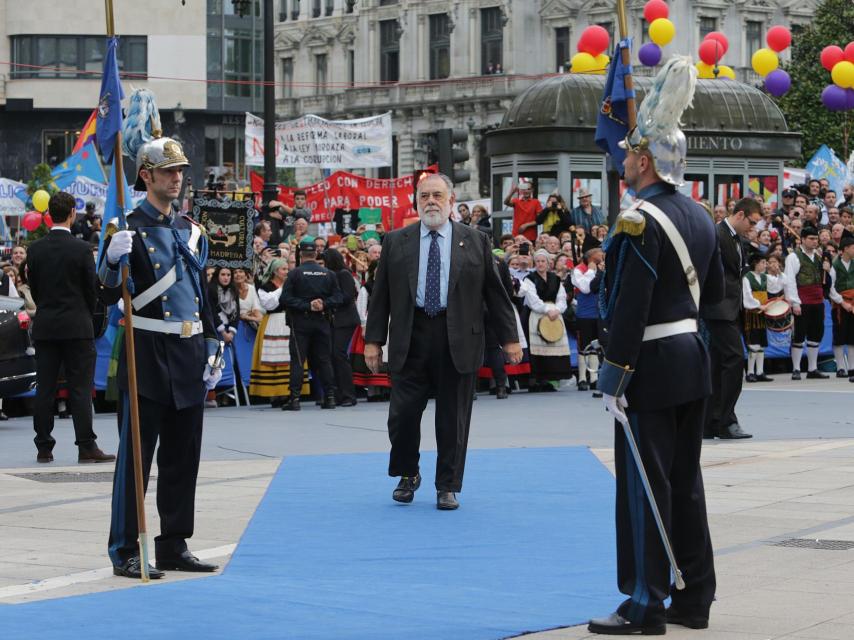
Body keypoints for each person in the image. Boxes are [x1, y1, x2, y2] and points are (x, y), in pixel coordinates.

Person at [589, 57, 722, 636]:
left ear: (645, 160)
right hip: (692, 360)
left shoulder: (638, 220)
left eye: (628, 153)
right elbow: (714, 301)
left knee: (646, 488)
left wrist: (613, 375)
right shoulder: (701, 216)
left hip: (648, 366)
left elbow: (627, 306)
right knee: (685, 483)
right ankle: (695, 598)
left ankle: (645, 604)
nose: (622, 158)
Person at [100, 90, 221, 579]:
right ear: (145, 176)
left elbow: (201, 294)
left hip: (188, 352)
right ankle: (126, 547)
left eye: (180, 171)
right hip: (145, 352)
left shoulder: (193, 231)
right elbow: (107, 294)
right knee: (135, 460)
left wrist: (212, 342)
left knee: (181, 457)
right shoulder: (122, 226)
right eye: (168, 171)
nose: (177, 178)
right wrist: (111, 259)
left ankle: (173, 542)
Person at [364, 172, 521, 511]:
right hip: (411, 336)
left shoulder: (476, 241)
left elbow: (496, 295)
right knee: (403, 414)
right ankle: (407, 473)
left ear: (452, 201)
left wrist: (510, 338)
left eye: (437, 195)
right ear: (416, 202)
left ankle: (447, 485)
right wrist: (373, 341)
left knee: (453, 417)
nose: (431, 201)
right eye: (424, 196)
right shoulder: (396, 241)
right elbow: (381, 297)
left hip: (459, 338)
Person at [25, 191, 114, 465]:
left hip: (47, 326)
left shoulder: (35, 249)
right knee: (80, 388)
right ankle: (86, 446)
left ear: (49, 214)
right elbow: (91, 290)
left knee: (45, 388)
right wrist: (84, 314)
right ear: (73, 214)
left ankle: (43, 447)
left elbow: (36, 290)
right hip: (77, 326)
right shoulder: (82, 249)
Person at [701, 197, 761, 440]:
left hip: (730, 308)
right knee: (735, 359)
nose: (754, 228)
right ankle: (727, 421)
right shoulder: (717, 234)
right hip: (718, 307)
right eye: (752, 222)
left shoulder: (737, 239)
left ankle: (710, 423)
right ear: (740, 215)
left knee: (717, 365)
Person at [280, 239, 342, 411]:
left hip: (300, 322)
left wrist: (307, 305)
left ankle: (294, 399)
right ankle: (329, 397)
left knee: (298, 360)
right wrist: (323, 304)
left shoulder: (294, 274)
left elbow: (284, 299)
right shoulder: (328, 274)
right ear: (315, 254)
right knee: (324, 359)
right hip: (322, 320)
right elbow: (339, 298)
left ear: (300, 254)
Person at [249, 258, 308, 405]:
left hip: (290, 321)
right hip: (273, 321)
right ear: (275, 271)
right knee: (274, 357)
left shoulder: (292, 285)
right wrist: (284, 288)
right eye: (283, 269)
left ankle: (290, 393)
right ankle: (274, 394)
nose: (286, 272)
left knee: (291, 356)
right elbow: (269, 303)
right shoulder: (265, 286)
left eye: (287, 269)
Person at [520, 249, 573, 392]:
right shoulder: (529, 278)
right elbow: (532, 300)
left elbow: (562, 298)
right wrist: (547, 310)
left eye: (543, 261)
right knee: (535, 348)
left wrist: (557, 309)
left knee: (552, 347)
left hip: (554, 314)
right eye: (537, 261)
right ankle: (535, 381)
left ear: (548, 263)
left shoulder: (555, 279)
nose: (540, 264)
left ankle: (548, 380)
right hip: (536, 315)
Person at [784, 224, 829, 380]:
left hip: (817, 300)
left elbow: (826, 280)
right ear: (802, 239)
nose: (815, 241)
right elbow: (789, 280)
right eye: (811, 239)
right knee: (799, 335)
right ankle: (796, 369)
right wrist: (795, 303)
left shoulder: (819, 256)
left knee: (816, 334)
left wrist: (827, 269)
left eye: (816, 239)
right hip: (802, 300)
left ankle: (812, 368)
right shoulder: (794, 257)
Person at [324, 248, 359, 407]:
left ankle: (348, 395)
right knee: (333, 355)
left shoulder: (344, 274)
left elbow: (347, 296)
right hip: (337, 320)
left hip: (345, 320)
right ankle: (339, 394)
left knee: (338, 354)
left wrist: (327, 300)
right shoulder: (334, 275)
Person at [571, 248, 605, 395]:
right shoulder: (578, 270)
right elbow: (585, 288)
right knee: (583, 346)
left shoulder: (601, 268)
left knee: (596, 346)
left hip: (598, 313)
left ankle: (594, 378)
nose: (602, 254)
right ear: (591, 256)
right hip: (584, 314)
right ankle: (582, 378)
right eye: (599, 252)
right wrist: (591, 270)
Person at [742, 252, 779, 382]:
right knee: (753, 343)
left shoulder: (764, 277)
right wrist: (759, 305)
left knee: (761, 344)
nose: (766, 265)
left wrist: (779, 273)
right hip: (752, 313)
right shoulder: (747, 277)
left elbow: (776, 286)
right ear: (755, 263)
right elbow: (747, 296)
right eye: (763, 262)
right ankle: (750, 372)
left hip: (762, 311)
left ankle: (760, 372)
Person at [828, 230, 854, 380]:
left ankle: (852, 367)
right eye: (853, 247)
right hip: (840, 304)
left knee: (852, 337)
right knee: (839, 336)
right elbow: (831, 288)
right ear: (845, 249)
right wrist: (842, 302)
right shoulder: (834, 265)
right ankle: (840, 367)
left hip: (853, 303)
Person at [504, 178, 542, 243]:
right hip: (517, 235)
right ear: (521, 190)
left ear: (532, 190)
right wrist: (512, 192)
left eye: (528, 189)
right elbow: (506, 202)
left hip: (530, 235)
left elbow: (539, 220)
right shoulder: (516, 201)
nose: (526, 191)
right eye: (524, 189)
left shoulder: (536, 202)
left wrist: (526, 225)